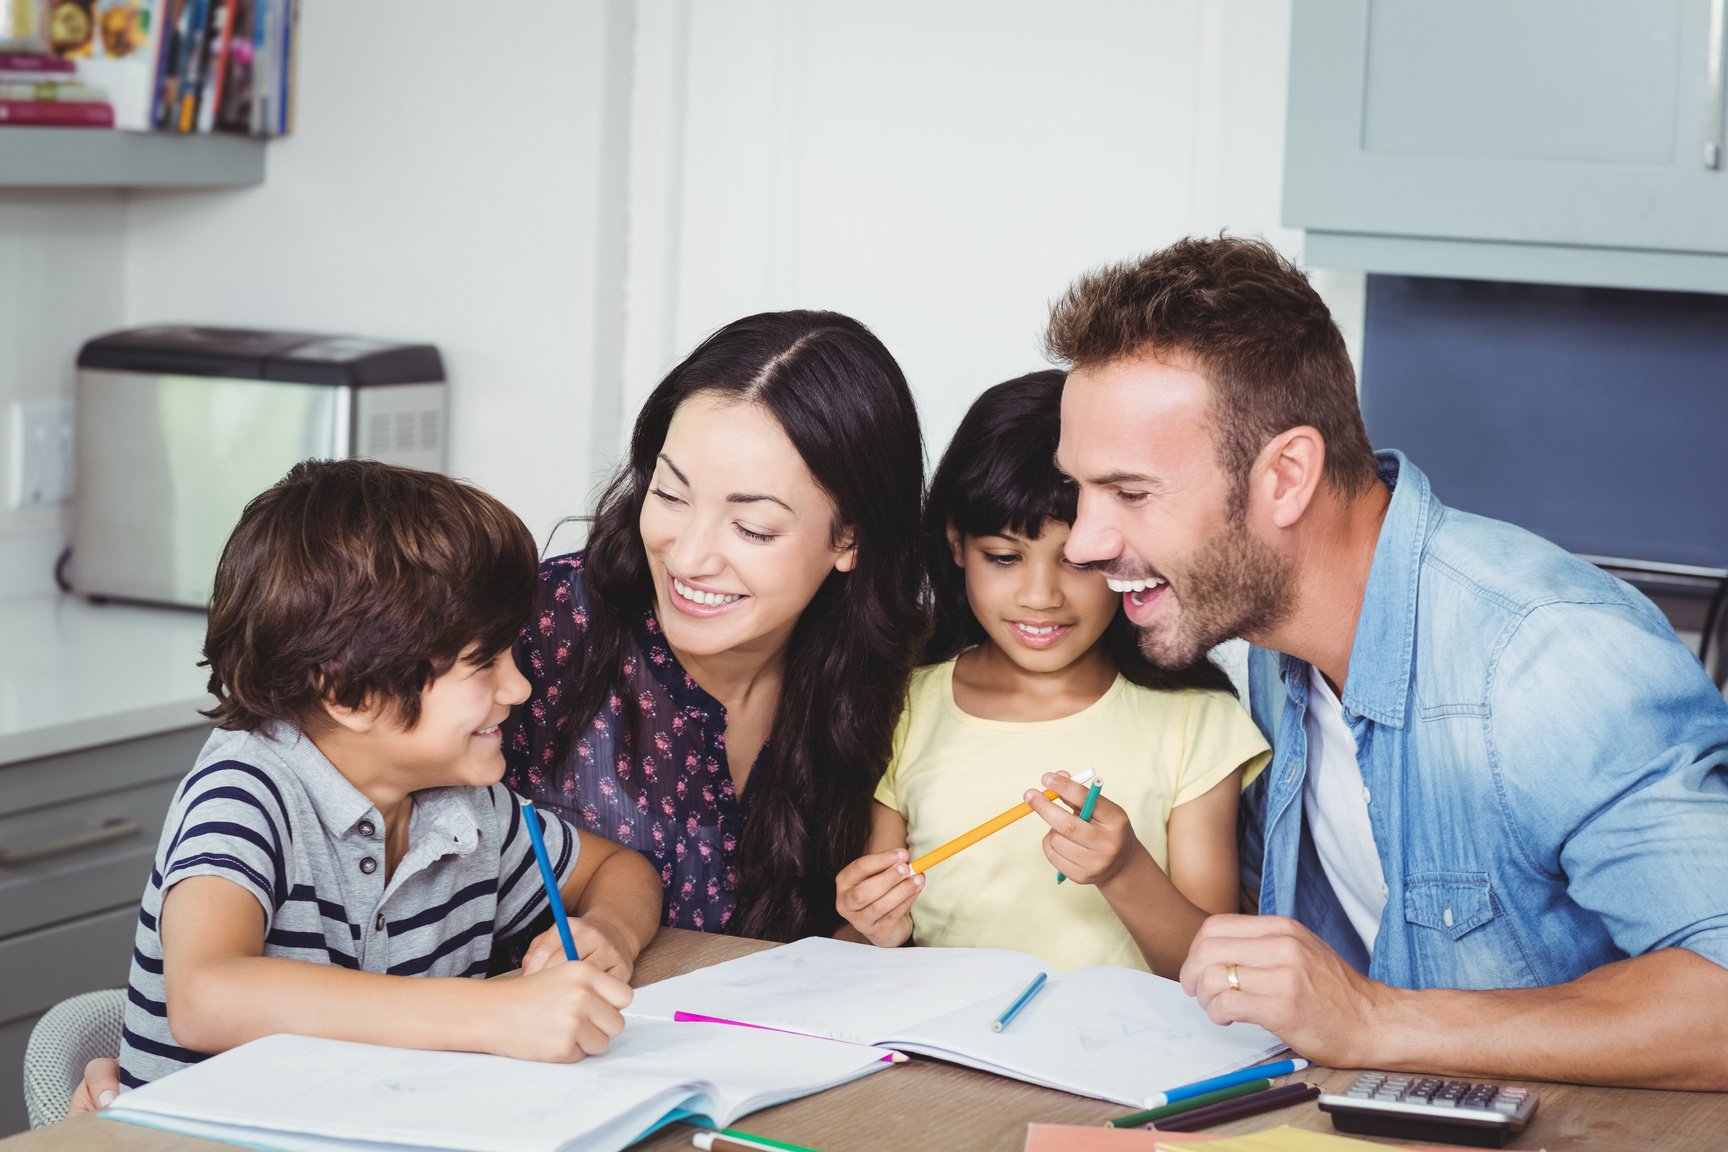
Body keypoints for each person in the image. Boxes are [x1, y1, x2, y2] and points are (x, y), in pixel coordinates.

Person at [1048, 234, 1728, 1088]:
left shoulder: (1546, 659)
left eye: (1131, 492)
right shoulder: (1272, 645)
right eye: (1079, 489)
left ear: (1287, 477)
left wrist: (1373, 1018)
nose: (1083, 542)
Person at [116, 460, 662, 1091]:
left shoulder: (470, 809)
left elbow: (620, 870)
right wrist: (492, 1013)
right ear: (350, 694)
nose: (519, 685)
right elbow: (206, 995)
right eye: (484, 663)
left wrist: (610, 930)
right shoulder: (246, 791)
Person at [501, 310, 927, 943]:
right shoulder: (541, 628)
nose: (689, 556)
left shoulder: (900, 679)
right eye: (670, 495)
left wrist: (869, 930)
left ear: (849, 539)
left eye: (752, 527)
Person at [833, 370, 1268, 978]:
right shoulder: (905, 705)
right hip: (952, 1059)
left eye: (1076, 561)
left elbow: (1219, 970)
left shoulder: (1195, 719)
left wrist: (1124, 873)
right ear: (957, 544)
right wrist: (867, 921)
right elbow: (865, 938)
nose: (1040, 596)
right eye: (1004, 558)